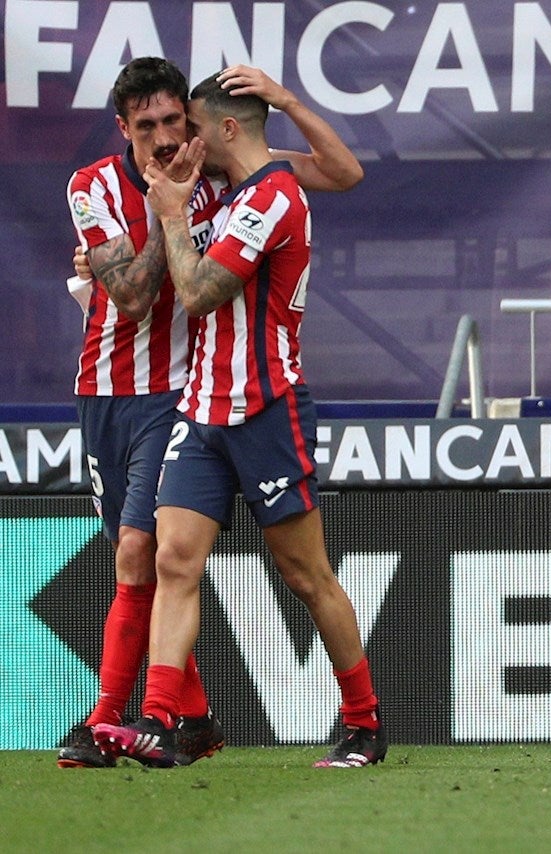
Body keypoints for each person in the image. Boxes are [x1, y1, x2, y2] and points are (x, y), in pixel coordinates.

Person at [59, 58, 363, 769]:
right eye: (149, 127)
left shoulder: (222, 170)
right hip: (105, 389)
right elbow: (132, 299)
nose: (167, 139)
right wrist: (168, 208)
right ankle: (188, 718)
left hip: (188, 392)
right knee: (150, 562)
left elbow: (341, 172)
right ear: (123, 129)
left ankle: (110, 719)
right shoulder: (92, 186)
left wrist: (284, 101)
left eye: (176, 121)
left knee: (146, 554)